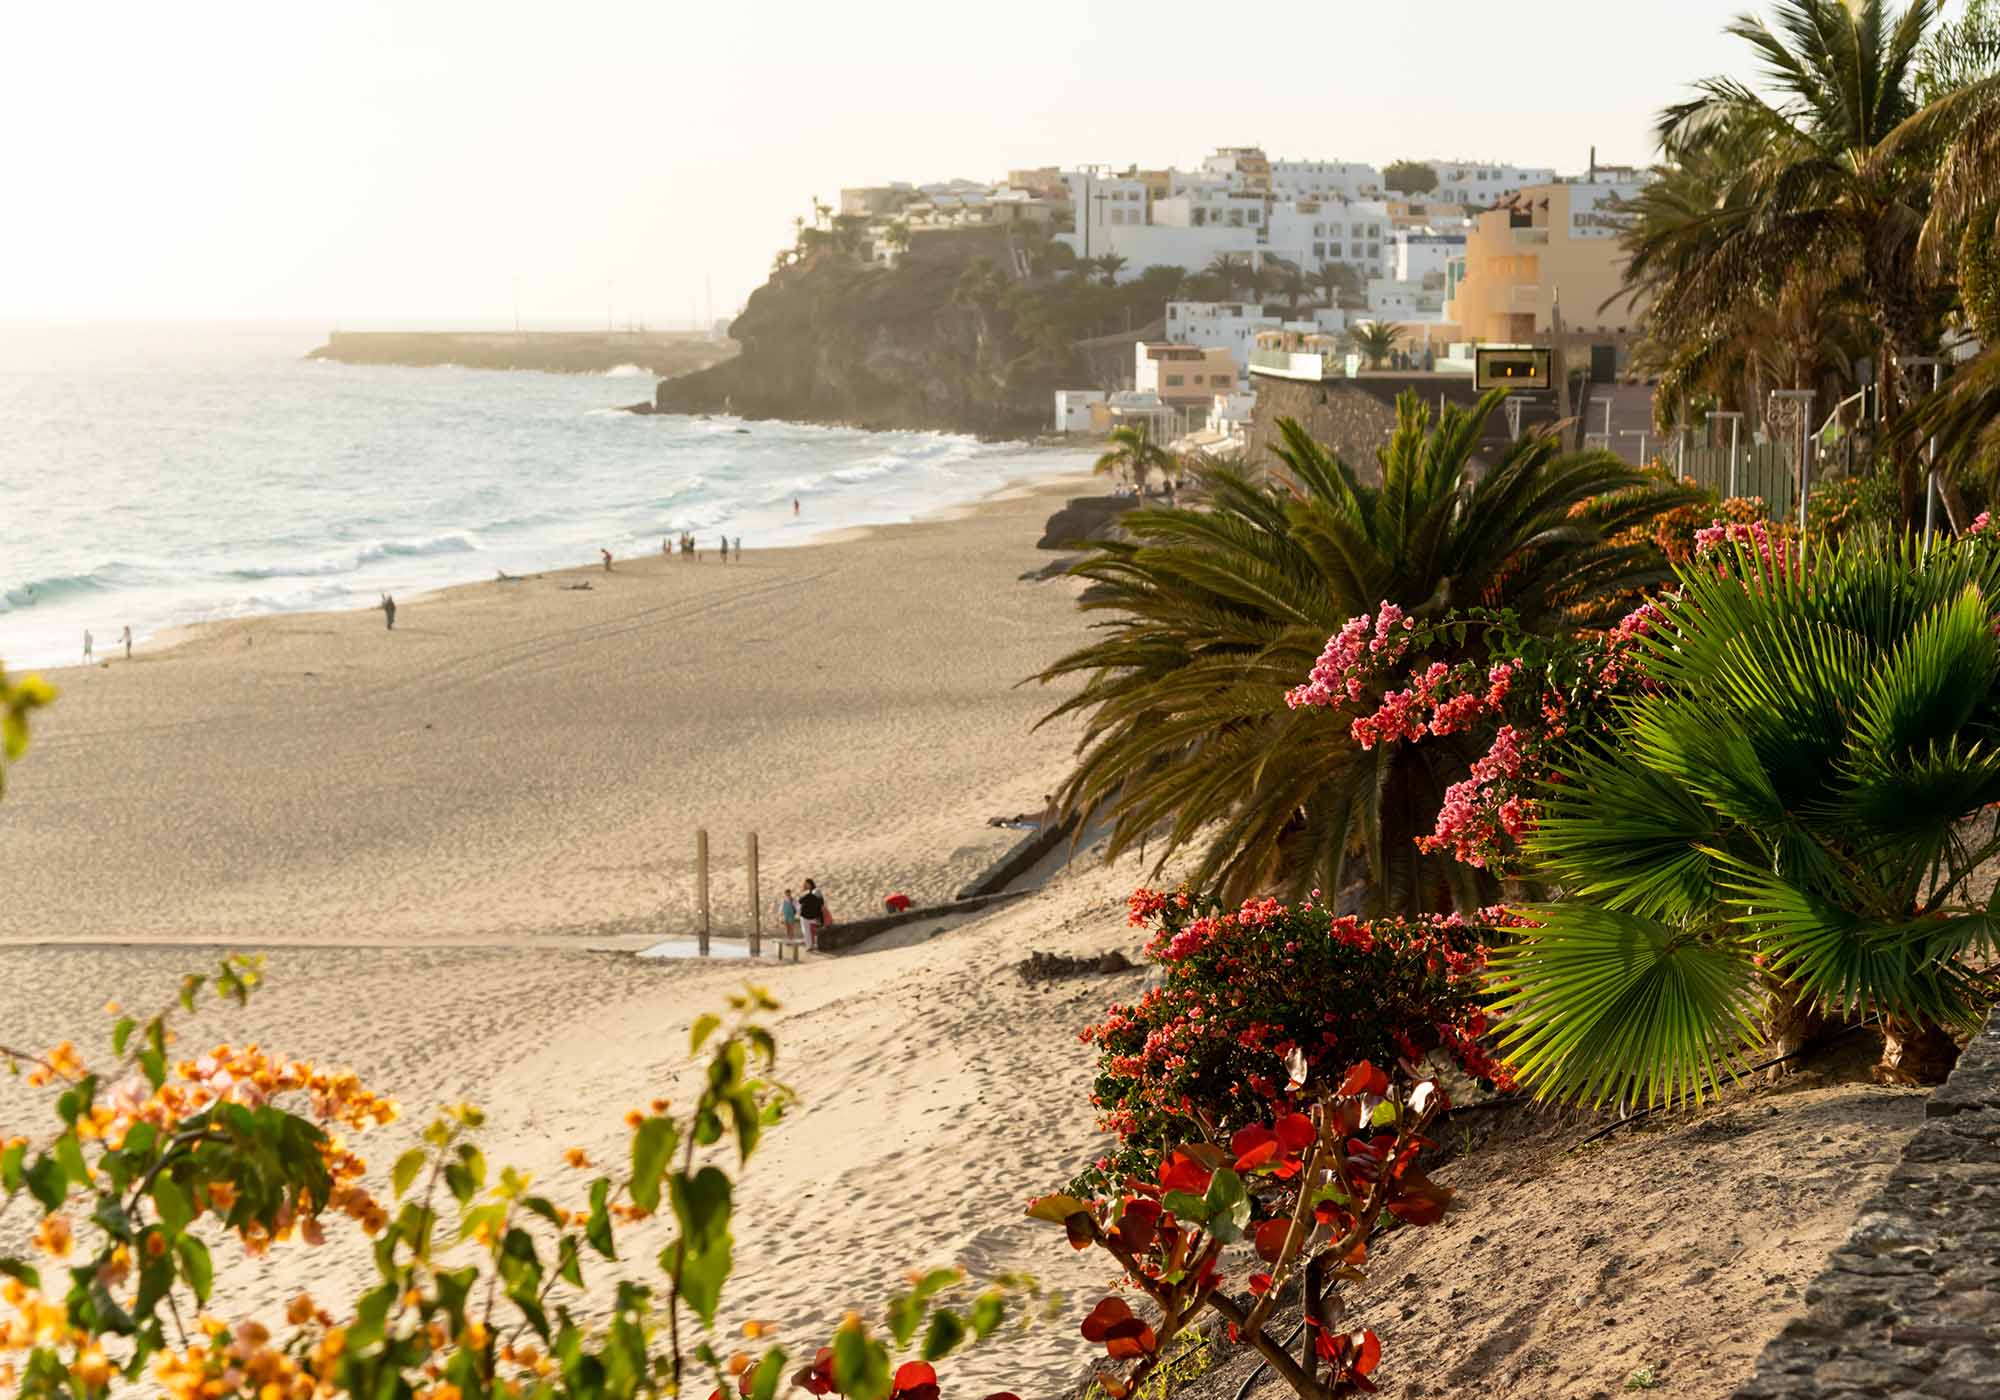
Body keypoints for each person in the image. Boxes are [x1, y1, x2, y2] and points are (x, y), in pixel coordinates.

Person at [796, 879, 829, 951]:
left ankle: (810, 945)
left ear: (810, 884)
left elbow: (800, 901)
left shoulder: (814, 891)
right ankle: (810, 945)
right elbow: (800, 902)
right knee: (807, 931)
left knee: (807, 930)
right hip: (808, 915)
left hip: (810, 915)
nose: (805, 885)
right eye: (805, 884)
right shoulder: (811, 892)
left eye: (806, 884)